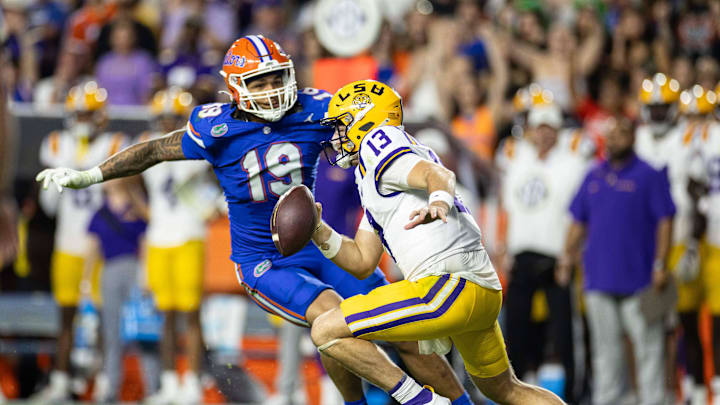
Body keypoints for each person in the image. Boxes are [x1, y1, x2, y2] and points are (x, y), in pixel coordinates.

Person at [36, 35, 476, 405]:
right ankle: (416, 400)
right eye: (259, 81)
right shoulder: (215, 127)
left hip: (319, 241)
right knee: (334, 318)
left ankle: (461, 403)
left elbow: (377, 134)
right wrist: (90, 174)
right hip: (265, 262)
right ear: (235, 88)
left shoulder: (314, 108)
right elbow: (152, 151)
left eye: (277, 77)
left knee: (402, 329)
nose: (272, 89)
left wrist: (419, 166)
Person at [308, 79, 565, 405]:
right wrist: (318, 230)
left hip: (448, 285)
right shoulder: (376, 177)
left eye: (342, 125)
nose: (336, 136)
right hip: (478, 290)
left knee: (326, 329)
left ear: (366, 121)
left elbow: (438, 176)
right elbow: (361, 261)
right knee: (505, 390)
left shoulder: (379, 141)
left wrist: (439, 202)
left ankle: (420, 400)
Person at [558, 115, 675, 405]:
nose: (614, 139)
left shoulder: (649, 174)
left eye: (621, 133)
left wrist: (661, 263)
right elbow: (578, 221)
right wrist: (566, 257)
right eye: (610, 134)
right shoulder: (593, 175)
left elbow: (665, 221)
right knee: (606, 353)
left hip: (641, 280)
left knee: (649, 351)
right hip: (598, 279)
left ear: (633, 137)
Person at [34, 81, 128, 402]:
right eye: (80, 114)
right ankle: (61, 380)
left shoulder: (115, 143)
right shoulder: (57, 144)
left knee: (103, 318)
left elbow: (120, 200)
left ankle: (103, 380)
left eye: (89, 114)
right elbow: (48, 207)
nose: (84, 120)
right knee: (65, 317)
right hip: (66, 244)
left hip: (100, 248)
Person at [496, 102, 592, 402]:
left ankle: (575, 396)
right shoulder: (517, 160)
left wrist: (571, 253)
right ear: (531, 131)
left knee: (564, 335)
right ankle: (518, 394)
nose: (544, 134)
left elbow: (581, 213)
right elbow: (507, 207)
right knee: (516, 334)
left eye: (550, 128)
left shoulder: (573, 161)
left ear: (559, 130)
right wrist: (502, 246)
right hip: (521, 255)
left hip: (557, 257)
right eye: (540, 128)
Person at [140, 88, 213, 405]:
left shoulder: (198, 148)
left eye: (174, 117)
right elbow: (125, 180)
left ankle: (192, 381)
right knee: (166, 315)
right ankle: (170, 383)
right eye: (164, 117)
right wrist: (146, 212)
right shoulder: (149, 146)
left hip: (188, 235)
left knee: (192, 313)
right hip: (159, 237)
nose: (168, 123)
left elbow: (214, 176)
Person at [86, 177, 149, 403]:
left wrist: (145, 275)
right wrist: (86, 281)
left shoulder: (137, 206)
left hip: (134, 269)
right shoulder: (101, 211)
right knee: (111, 332)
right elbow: (92, 249)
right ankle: (111, 386)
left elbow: (145, 240)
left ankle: (153, 386)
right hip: (109, 269)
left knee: (144, 332)